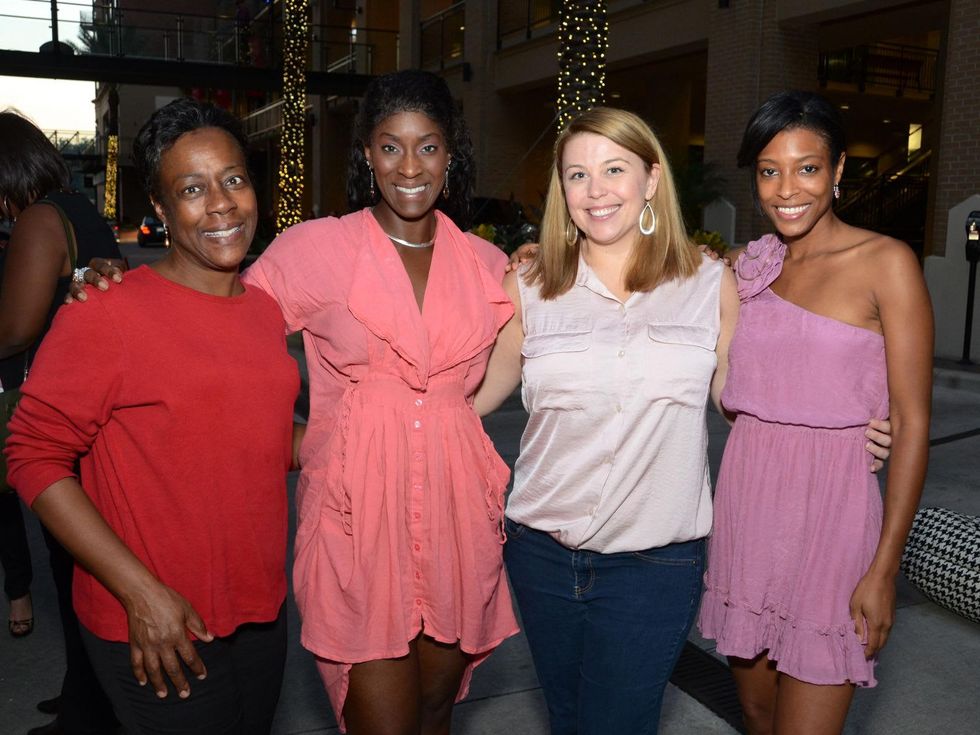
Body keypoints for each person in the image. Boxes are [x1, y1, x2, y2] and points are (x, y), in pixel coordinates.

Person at [70, 70, 519, 735]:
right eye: (390, 146)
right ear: (366, 154)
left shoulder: (487, 264)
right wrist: (113, 282)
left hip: (458, 518)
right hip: (357, 522)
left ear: (451, 154)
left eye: (428, 146)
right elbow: (215, 313)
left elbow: (503, 370)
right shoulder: (317, 249)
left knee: (435, 712)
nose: (410, 166)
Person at [4, 98, 300, 735]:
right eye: (192, 189)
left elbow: (261, 435)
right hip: (157, 622)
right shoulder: (107, 312)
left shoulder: (263, 310)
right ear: (161, 209)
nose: (220, 205)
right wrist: (139, 592)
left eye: (233, 179)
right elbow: (31, 455)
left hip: (260, 606)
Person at [472, 106, 737, 733]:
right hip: (540, 554)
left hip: (656, 564)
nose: (596, 190)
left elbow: (745, 401)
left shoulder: (709, 283)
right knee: (567, 719)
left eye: (614, 169)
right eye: (578, 175)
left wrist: (842, 421)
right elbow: (468, 398)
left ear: (651, 179)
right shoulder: (529, 285)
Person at [696, 91, 932, 734]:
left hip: (835, 512)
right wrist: (532, 259)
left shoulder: (886, 262)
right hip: (749, 502)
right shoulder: (745, 268)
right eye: (769, 171)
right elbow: (640, 272)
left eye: (807, 168)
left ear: (838, 170)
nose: (786, 189)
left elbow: (913, 424)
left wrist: (885, 568)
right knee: (756, 711)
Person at [0, 108, 121, 735]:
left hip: (62, 417)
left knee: (75, 569)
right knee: (83, 571)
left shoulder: (38, 220)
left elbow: (15, 329)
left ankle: (90, 714)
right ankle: (87, 697)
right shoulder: (80, 210)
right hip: (96, 413)